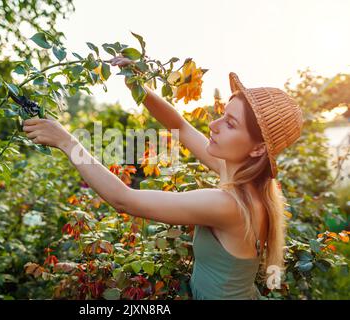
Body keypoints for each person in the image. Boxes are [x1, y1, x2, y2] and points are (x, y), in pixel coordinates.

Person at [22, 56, 304, 299]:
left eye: (230, 124)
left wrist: (67, 141)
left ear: (257, 148)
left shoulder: (229, 204)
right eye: (222, 115)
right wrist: (137, 85)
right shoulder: (245, 180)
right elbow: (178, 125)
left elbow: (124, 200)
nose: (213, 125)